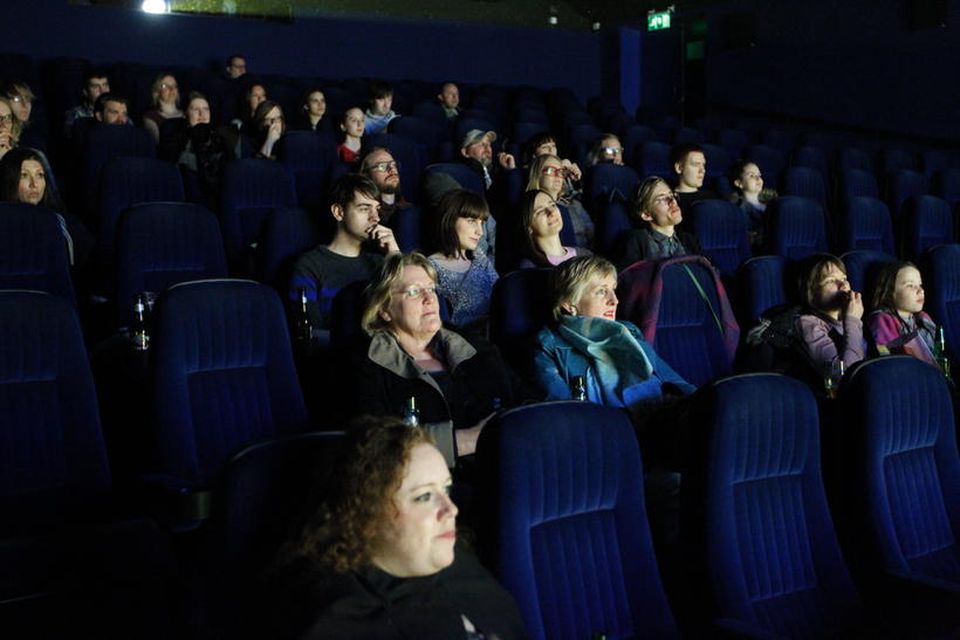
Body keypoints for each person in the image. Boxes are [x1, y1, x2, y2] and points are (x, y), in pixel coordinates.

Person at [269, 418, 527, 639]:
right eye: (424, 497)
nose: (451, 510)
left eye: (446, 489)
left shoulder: (458, 563)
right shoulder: (339, 622)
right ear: (366, 513)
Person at [349, 252, 523, 465]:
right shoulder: (364, 363)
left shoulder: (474, 345)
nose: (429, 298)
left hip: (510, 465)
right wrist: (470, 439)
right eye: (414, 292)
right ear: (385, 310)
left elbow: (523, 399)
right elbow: (373, 445)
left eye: (431, 289)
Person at [534, 255, 695, 410]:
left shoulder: (627, 331)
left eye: (613, 290)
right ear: (569, 304)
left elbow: (674, 381)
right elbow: (569, 413)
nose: (615, 300)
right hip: (608, 431)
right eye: (602, 291)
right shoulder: (548, 345)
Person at [290, 174, 399, 333]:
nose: (375, 217)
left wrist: (395, 254)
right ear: (339, 212)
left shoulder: (381, 262)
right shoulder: (309, 266)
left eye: (377, 209)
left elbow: (407, 312)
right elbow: (311, 334)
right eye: (364, 208)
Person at [0, 147, 93, 268]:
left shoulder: (65, 225)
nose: (34, 184)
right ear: (10, 181)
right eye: (24, 175)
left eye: (40, 175)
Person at [427, 189, 498, 330]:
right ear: (450, 220)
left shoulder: (479, 256)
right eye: (472, 221)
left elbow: (501, 296)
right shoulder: (430, 267)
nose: (480, 231)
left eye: (481, 223)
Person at [797, 254, 866, 375]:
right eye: (831, 281)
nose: (843, 285)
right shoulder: (808, 324)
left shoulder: (850, 315)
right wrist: (852, 321)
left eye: (844, 278)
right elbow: (843, 375)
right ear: (812, 293)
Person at [615, 176, 701, 270]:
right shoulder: (635, 242)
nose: (673, 201)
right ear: (646, 214)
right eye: (663, 198)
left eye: (672, 195)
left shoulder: (690, 240)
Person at [868, 261, 939, 368]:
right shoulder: (882, 320)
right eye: (910, 285)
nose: (920, 291)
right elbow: (892, 363)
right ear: (890, 292)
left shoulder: (923, 318)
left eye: (920, 285)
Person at [527, 153, 592, 248]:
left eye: (561, 171)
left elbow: (592, 235)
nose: (557, 175)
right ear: (537, 175)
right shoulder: (531, 207)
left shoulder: (574, 204)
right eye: (550, 170)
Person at [518, 189, 591, 268]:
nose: (551, 212)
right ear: (529, 227)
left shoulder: (585, 256)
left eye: (553, 205)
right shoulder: (529, 268)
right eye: (540, 211)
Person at [728, 159, 773, 249]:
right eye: (752, 175)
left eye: (759, 175)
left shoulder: (773, 204)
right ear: (739, 183)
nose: (758, 178)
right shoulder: (739, 208)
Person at [358, 146, 409, 224]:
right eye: (382, 166)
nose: (392, 170)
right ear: (366, 176)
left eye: (393, 164)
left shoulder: (409, 210)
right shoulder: (364, 217)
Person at [671, 144, 717, 213]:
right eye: (696, 165)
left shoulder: (713, 199)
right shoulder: (670, 202)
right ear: (679, 168)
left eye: (703, 165)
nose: (702, 170)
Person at [63, 69, 110, 137]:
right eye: (95, 87)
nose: (102, 91)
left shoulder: (121, 112)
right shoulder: (75, 114)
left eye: (105, 85)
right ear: (85, 92)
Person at [142, 72, 185, 143]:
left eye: (174, 86)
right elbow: (156, 145)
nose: (171, 89)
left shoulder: (186, 114)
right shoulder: (150, 117)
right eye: (165, 86)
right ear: (157, 91)